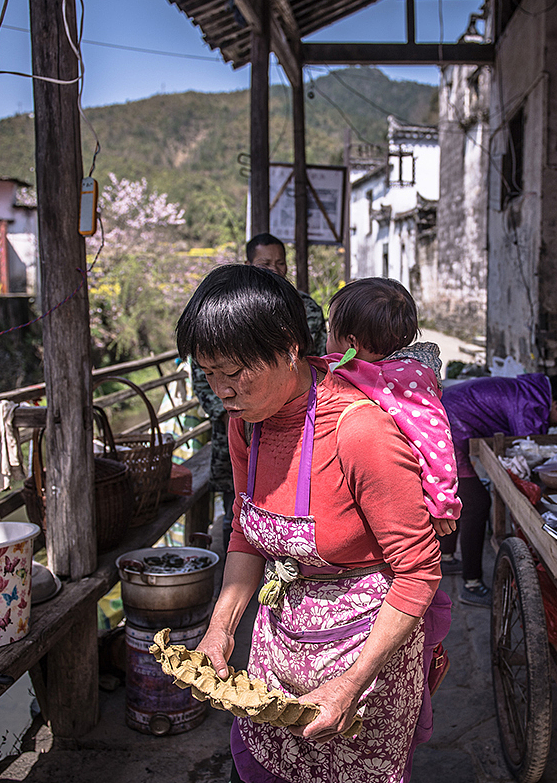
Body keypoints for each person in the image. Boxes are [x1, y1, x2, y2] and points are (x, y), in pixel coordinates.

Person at [177, 264, 450, 783]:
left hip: (365, 660)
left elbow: (418, 572)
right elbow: (246, 534)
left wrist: (351, 684)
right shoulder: (246, 427)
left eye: (234, 372)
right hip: (279, 644)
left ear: (287, 345)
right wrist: (219, 631)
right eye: (209, 374)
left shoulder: (359, 432)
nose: (222, 391)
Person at [191, 234, 327, 549]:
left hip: (295, 421)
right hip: (243, 419)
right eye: (266, 263)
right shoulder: (222, 314)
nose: (275, 270)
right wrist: (237, 408)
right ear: (249, 264)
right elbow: (205, 377)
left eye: (280, 263)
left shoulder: (304, 307)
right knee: (240, 509)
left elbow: (314, 362)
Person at [440, 372, 557, 607]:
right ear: (555, 402)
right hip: (447, 424)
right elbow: (526, 448)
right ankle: (471, 585)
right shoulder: (531, 404)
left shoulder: (533, 392)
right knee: (477, 503)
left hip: (446, 416)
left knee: (460, 494)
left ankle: (447, 558)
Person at [324, 278, 461, 536]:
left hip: (400, 495)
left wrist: (442, 499)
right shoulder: (381, 367)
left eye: (331, 331)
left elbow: (434, 438)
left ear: (352, 344)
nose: (326, 338)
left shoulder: (400, 379)